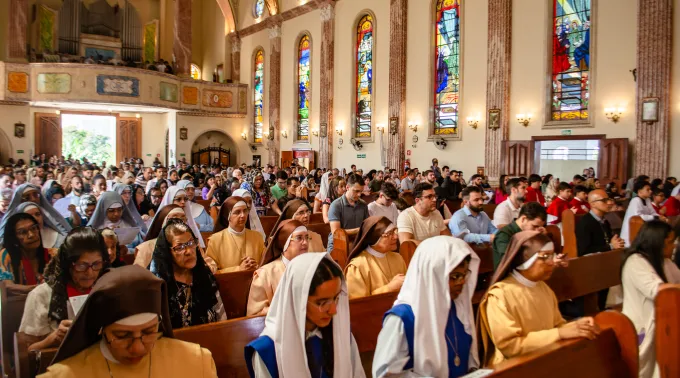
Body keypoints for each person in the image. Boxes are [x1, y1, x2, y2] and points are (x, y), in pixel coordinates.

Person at [38, 265, 218, 377]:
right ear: (102, 329)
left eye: (149, 332)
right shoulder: (65, 375)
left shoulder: (196, 361)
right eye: (123, 336)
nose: (138, 348)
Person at [478, 231, 600, 367]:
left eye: (552, 256)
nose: (552, 262)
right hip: (514, 368)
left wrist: (578, 325)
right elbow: (509, 345)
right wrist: (559, 333)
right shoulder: (500, 295)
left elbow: (557, 326)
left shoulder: (543, 288)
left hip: (544, 359)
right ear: (525, 260)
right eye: (545, 256)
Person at [372, 237, 480, 377]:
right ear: (432, 274)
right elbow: (384, 375)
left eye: (464, 275)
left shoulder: (458, 308)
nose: (462, 282)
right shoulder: (403, 318)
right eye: (454, 276)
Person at [244, 254, 365, 378]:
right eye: (322, 303)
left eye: (336, 298)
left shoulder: (341, 333)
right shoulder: (268, 350)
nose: (333, 310)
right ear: (297, 299)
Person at [19, 227, 109, 351]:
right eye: (81, 265)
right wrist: (54, 337)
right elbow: (28, 351)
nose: (90, 272)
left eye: (96, 264)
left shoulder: (106, 288)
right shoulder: (41, 295)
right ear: (67, 264)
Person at [621, 220, 680, 378]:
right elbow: (660, 292)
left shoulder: (664, 261)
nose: (673, 246)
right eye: (669, 242)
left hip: (665, 321)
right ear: (656, 242)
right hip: (642, 327)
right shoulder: (636, 262)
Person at [150, 222, 226, 328]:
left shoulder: (203, 274)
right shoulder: (158, 283)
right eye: (180, 247)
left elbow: (220, 315)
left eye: (191, 243)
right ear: (167, 252)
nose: (188, 251)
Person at [247, 220, 311, 316]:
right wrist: (288, 308)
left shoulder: (314, 268)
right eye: (299, 238)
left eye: (307, 237)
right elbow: (254, 315)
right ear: (285, 242)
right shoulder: (265, 275)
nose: (305, 242)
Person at [344, 216, 406, 299]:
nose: (396, 237)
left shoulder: (398, 258)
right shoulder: (357, 266)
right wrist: (389, 288)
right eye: (389, 233)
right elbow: (358, 305)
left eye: (395, 231)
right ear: (374, 238)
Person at [206, 197, 265, 272]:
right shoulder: (215, 240)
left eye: (245, 211)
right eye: (237, 212)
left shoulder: (257, 236)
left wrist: (257, 267)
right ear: (228, 216)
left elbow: (266, 264)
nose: (243, 215)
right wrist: (238, 269)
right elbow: (211, 272)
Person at [0, 184, 72, 245]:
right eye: (27, 197)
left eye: (35, 195)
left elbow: (62, 229)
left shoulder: (47, 215)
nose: (33, 199)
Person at [0, 213, 52, 292]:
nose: (31, 235)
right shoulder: (6, 255)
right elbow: (7, 285)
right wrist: (39, 289)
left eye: (33, 228)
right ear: (14, 239)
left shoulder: (52, 255)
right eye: (23, 232)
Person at [492, 202, 547, 269]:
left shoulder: (532, 233)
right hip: (508, 276)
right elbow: (509, 261)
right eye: (534, 226)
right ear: (523, 219)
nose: (536, 231)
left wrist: (542, 239)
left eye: (539, 227)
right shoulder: (504, 234)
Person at [327, 173, 370, 252]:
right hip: (338, 244)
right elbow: (336, 232)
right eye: (356, 191)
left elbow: (367, 225)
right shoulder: (336, 205)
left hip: (356, 243)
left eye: (361, 191)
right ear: (347, 187)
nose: (359, 194)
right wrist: (358, 230)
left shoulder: (363, 205)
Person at [576, 189, 625, 256]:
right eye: (604, 200)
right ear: (593, 204)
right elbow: (584, 251)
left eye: (609, 199)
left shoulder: (605, 221)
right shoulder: (585, 223)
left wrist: (617, 242)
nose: (609, 203)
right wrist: (611, 246)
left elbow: (609, 242)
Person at [621, 181, 666, 246]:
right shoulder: (635, 201)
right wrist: (655, 217)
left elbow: (653, 212)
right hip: (632, 230)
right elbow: (639, 217)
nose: (650, 191)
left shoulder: (647, 200)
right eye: (647, 189)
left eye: (650, 189)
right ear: (640, 191)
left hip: (643, 228)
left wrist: (660, 217)